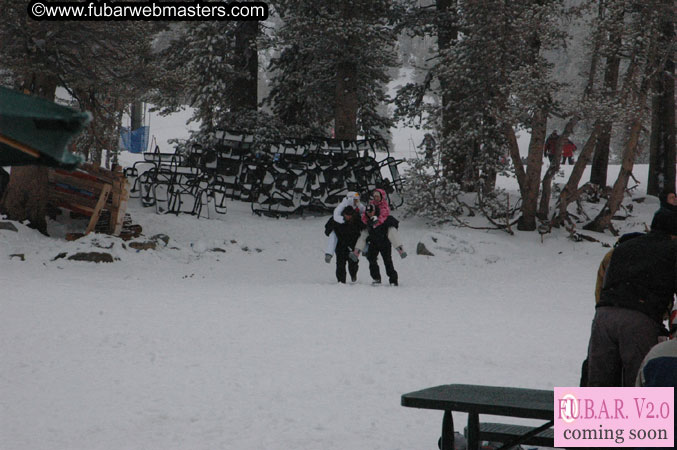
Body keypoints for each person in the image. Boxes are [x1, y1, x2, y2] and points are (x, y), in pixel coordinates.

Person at [586, 208, 677, 387]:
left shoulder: (625, 246)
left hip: (604, 315)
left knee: (599, 385)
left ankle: (595, 415)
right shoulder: (673, 250)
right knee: (638, 385)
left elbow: (604, 282)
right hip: (639, 320)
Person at [353, 188, 406, 259]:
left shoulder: (384, 205)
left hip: (382, 226)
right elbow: (365, 214)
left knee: (391, 230)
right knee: (364, 233)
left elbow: (384, 215)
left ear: (381, 197)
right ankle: (357, 251)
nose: (376, 198)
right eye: (375, 196)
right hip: (372, 226)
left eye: (377, 196)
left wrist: (377, 221)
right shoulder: (371, 204)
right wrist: (367, 221)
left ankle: (400, 249)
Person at [360, 204, 398, 286]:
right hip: (373, 243)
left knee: (387, 261)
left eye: (371, 211)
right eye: (368, 212)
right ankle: (376, 278)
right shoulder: (365, 220)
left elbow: (394, 223)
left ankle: (393, 280)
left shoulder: (383, 217)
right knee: (371, 259)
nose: (369, 213)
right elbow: (363, 230)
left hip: (384, 242)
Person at [324, 191, 365, 263]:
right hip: (341, 240)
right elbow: (334, 218)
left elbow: (363, 212)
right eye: (355, 200)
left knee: (363, 235)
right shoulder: (342, 207)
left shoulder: (357, 212)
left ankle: (363, 250)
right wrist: (343, 221)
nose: (356, 202)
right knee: (334, 234)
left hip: (353, 239)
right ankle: (329, 252)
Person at [331, 205, 365, 284]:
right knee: (340, 264)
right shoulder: (337, 219)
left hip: (353, 245)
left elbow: (364, 226)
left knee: (353, 264)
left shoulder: (357, 220)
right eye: (347, 215)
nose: (348, 217)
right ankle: (341, 281)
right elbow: (327, 228)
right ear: (343, 214)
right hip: (340, 246)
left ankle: (353, 275)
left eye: (350, 215)